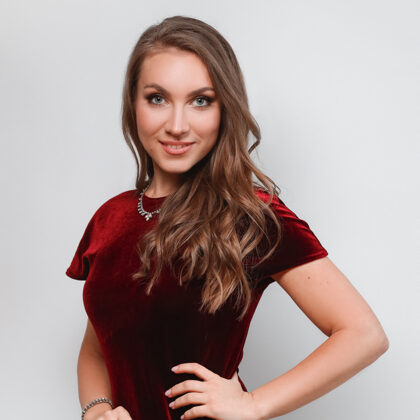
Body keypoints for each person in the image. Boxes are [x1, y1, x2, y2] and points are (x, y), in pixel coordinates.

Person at [66, 15, 389, 420]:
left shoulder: (250, 216)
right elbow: (96, 348)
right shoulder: (109, 218)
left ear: (225, 110)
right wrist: (96, 411)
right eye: (157, 98)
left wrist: (253, 404)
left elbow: (363, 335)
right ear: (133, 106)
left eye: (201, 100)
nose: (177, 125)